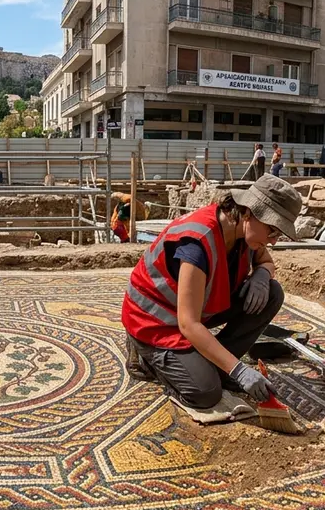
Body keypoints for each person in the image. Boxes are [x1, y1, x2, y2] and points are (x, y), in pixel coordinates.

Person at [121, 175, 303, 411]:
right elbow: (188, 325)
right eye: (272, 231)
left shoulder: (244, 232)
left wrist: (261, 276)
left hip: (191, 309)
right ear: (248, 212)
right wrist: (240, 370)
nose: (274, 241)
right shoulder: (197, 244)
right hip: (154, 320)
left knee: (272, 292)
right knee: (205, 393)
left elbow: (266, 263)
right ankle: (146, 358)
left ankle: (218, 366)